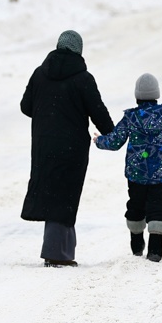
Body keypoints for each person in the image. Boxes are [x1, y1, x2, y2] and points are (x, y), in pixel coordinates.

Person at [20, 30, 115, 267]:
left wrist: (47, 110)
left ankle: (62, 251)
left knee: (51, 192)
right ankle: (56, 254)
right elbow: (98, 112)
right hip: (72, 146)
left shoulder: (40, 73)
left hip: (43, 143)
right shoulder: (83, 78)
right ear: (79, 51)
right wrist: (112, 133)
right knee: (65, 196)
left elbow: (26, 107)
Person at [94, 73, 162, 262]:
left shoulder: (130, 118)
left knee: (136, 205)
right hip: (159, 173)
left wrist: (98, 140)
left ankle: (136, 244)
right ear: (156, 95)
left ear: (137, 96)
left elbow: (115, 141)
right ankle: (155, 250)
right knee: (157, 206)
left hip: (136, 173)